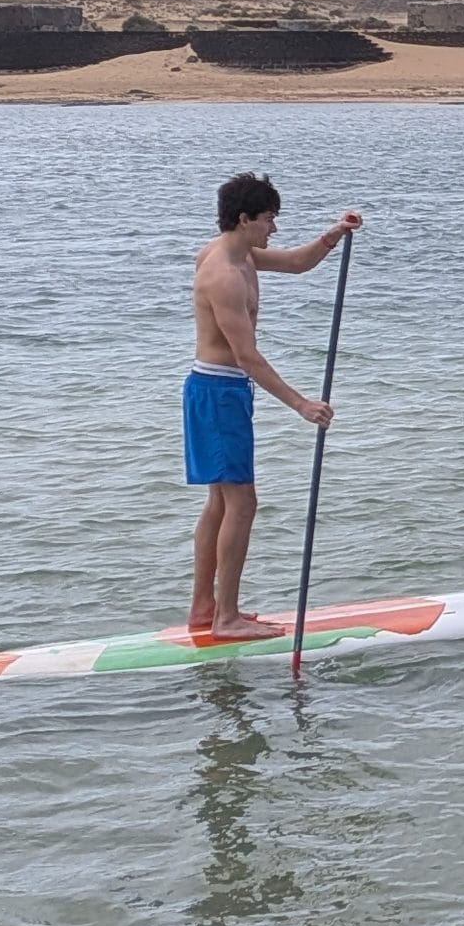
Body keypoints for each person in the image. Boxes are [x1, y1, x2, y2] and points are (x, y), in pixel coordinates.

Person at [187, 173, 363, 639]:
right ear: (244, 219)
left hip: (219, 392)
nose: (274, 229)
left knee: (220, 502)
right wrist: (301, 404)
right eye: (269, 220)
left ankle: (205, 609)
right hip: (219, 392)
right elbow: (246, 356)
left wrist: (333, 235)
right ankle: (226, 619)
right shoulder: (222, 273)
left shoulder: (239, 253)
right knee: (241, 503)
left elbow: (294, 263)